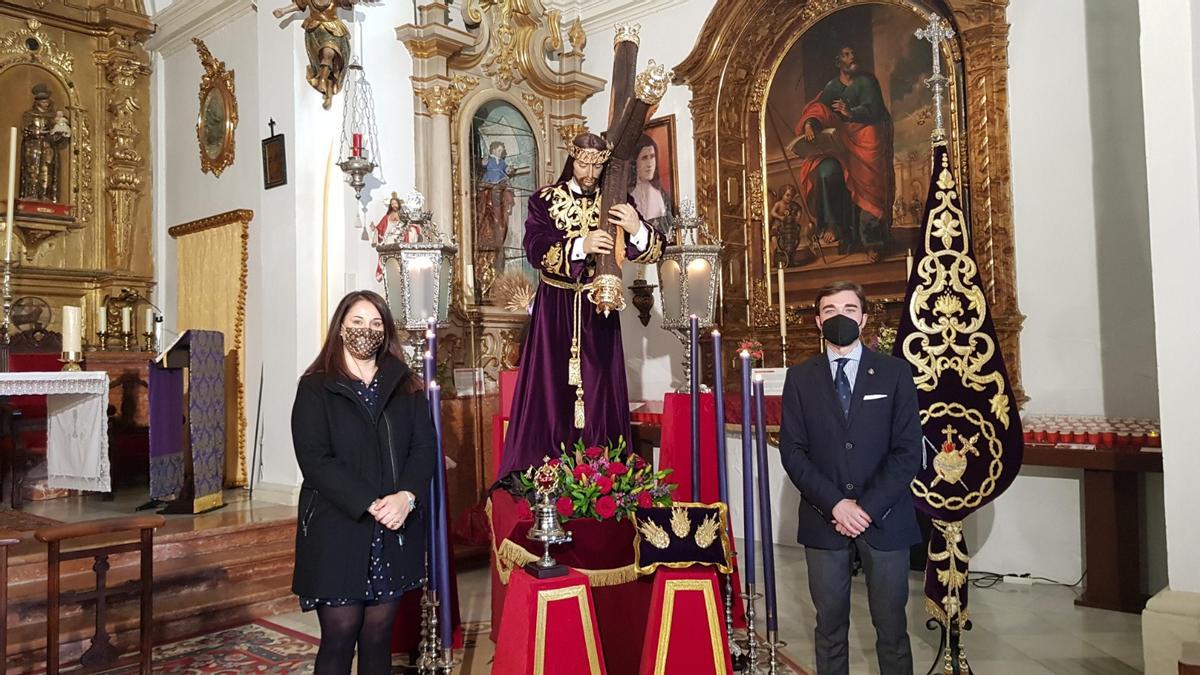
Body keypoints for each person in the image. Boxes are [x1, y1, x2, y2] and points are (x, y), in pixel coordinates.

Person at [496, 133, 666, 478]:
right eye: (583, 163)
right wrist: (580, 244)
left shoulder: (616, 201)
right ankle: (545, 474)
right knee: (551, 388)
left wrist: (636, 228)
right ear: (572, 160)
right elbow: (535, 248)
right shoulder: (545, 200)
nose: (589, 172)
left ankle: (601, 475)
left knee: (600, 387)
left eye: (596, 165)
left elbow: (653, 250)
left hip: (598, 308)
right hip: (555, 310)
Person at [777, 280, 922, 675]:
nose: (839, 316)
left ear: (864, 317)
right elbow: (793, 450)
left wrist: (867, 507)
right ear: (817, 320)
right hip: (825, 520)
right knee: (829, 627)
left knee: (892, 629)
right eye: (829, 310)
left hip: (885, 519)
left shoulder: (894, 373)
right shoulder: (800, 378)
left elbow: (908, 450)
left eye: (848, 309)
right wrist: (836, 504)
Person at [290, 290, 436, 674]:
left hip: (394, 526)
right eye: (356, 322)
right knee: (340, 633)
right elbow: (315, 460)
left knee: (378, 635)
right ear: (340, 328)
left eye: (375, 324)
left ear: (385, 331)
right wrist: (371, 502)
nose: (365, 331)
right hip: (338, 525)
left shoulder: (406, 385)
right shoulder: (315, 386)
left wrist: (406, 496)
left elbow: (424, 449)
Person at [794, 46, 894, 259]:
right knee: (825, 172)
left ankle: (872, 242)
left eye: (853, 53)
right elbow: (818, 108)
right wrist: (810, 124)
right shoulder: (832, 86)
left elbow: (876, 110)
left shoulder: (867, 82)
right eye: (847, 55)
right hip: (841, 145)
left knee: (869, 189)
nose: (853, 57)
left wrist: (851, 112)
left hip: (866, 140)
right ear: (839, 62)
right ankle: (833, 226)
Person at [19, 83, 70, 203]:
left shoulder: (52, 116)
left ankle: (46, 196)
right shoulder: (29, 115)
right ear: (37, 102)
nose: (46, 103)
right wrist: (37, 132)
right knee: (32, 171)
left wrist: (57, 135)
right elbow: (25, 129)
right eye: (43, 101)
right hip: (33, 147)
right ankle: (31, 195)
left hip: (48, 148)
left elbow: (57, 131)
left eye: (47, 100)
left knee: (47, 171)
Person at [628, 134, 673, 235]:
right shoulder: (626, 197)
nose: (649, 164)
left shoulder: (661, 195)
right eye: (644, 158)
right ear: (634, 162)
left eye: (652, 157)